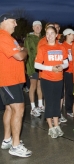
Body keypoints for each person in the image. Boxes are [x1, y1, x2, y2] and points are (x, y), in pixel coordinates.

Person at [0, 13, 32, 157]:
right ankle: (16, 145)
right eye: (14, 21)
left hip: (13, 80)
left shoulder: (9, 38)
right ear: (5, 21)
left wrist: (21, 50)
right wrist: (24, 49)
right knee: (19, 109)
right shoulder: (2, 36)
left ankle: (7, 140)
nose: (16, 24)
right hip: (9, 80)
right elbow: (20, 56)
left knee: (9, 109)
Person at [35, 26, 68, 138]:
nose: (49, 36)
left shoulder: (61, 47)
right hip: (47, 79)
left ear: (56, 35)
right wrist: (51, 68)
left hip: (59, 79)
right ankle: (50, 127)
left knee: (56, 103)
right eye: (47, 34)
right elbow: (37, 64)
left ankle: (57, 125)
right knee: (49, 103)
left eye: (52, 33)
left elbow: (66, 62)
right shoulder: (43, 47)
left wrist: (62, 66)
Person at [24, 21, 44, 117]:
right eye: (35, 26)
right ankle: (32, 107)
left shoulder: (43, 38)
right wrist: (30, 67)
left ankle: (40, 105)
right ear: (32, 28)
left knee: (40, 86)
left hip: (41, 66)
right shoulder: (28, 39)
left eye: (39, 26)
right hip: (32, 66)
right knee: (33, 86)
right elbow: (27, 54)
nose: (37, 28)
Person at [59, 28, 74, 117]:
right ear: (67, 35)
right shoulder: (63, 46)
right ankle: (69, 109)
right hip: (68, 71)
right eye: (72, 34)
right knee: (69, 90)